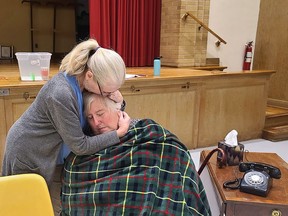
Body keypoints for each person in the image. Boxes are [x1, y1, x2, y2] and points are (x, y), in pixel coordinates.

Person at [1, 39, 131, 215]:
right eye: (106, 92)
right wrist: (119, 133)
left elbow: (105, 109)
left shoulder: (85, 84)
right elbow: (80, 145)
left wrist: (120, 103)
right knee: (27, 207)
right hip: (30, 151)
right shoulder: (61, 93)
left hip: (54, 153)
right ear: (90, 75)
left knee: (56, 206)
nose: (107, 96)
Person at [61, 92, 211, 216]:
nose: (96, 122)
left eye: (100, 113)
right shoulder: (83, 152)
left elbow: (175, 157)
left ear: (118, 111)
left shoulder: (149, 132)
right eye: (90, 118)